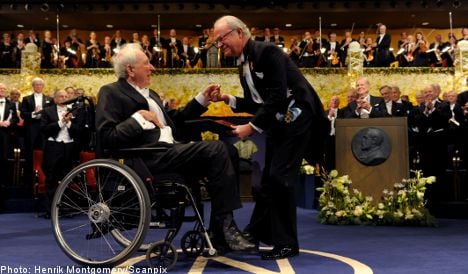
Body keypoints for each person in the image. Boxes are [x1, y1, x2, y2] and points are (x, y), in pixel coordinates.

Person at [95, 43, 255, 253]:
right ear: (130, 70)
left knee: (230, 151)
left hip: (170, 151)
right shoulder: (111, 92)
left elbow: (175, 123)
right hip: (147, 157)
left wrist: (202, 99)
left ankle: (220, 228)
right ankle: (226, 229)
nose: (152, 68)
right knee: (216, 149)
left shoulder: (150, 94)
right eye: (147, 64)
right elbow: (107, 136)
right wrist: (138, 118)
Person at [211, 15, 328, 260]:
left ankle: (286, 244)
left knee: (280, 179)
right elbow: (258, 104)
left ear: (239, 34)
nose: (219, 46)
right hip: (279, 123)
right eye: (216, 42)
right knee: (267, 181)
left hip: (298, 118)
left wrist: (250, 128)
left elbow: (276, 98)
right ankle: (255, 233)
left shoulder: (268, 52)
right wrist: (227, 100)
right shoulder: (242, 65)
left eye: (221, 39)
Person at [40, 89, 84, 218]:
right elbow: (44, 129)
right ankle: (50, 210)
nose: (64, 98)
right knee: (51, 179)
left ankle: (66, 208)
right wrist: (61, 122)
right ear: (55, 98)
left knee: (68, 178)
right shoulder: (47, 111)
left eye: (66, 96)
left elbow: (80, 131)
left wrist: (69, 122)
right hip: (53, 147)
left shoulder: (75, 111)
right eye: (61, 96)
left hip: (69, 147)